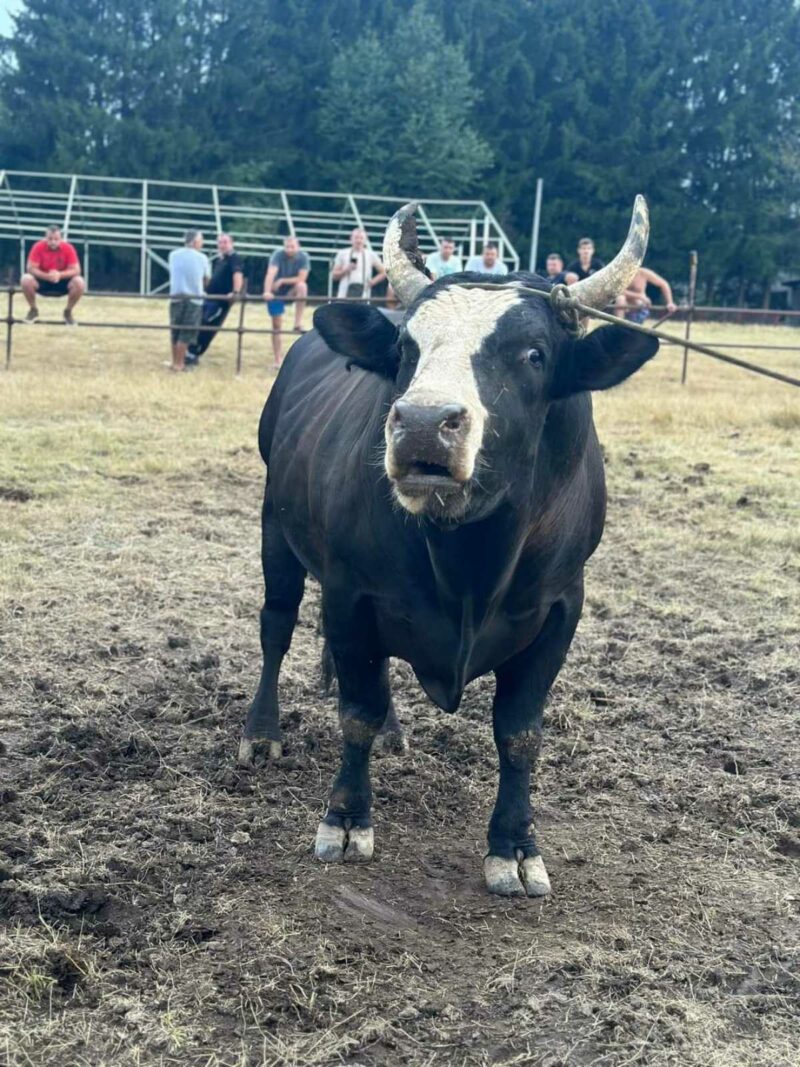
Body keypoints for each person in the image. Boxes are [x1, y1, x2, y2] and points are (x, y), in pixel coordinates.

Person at [186, 233, 244, 365]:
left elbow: (237, 274)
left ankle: (194, 353)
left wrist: (235, 292)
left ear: (231, 244)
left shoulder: (234, 258)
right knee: (200, 323)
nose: (222, 245)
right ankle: (190, 352)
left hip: (220, 300)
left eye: (225, 242)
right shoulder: (220, 259)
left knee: (208, 326)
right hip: (209, 298)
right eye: (220, 242)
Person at [21, 225, 86, 325]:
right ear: (45, 238)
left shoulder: (68, 248)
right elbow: (30, 268)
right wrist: (46, 276)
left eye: (56, 239)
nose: (53, 242)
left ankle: (68, 312)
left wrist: (59, 275)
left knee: (79, 281)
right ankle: (33, 310)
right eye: (50, 239)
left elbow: (76, 270)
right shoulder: (38, 247)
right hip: (42, 280)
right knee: (25, 279)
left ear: (61, 239)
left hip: (63, 281)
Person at [263, 236, 310, 368]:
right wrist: (267, 291)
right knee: (276, 325)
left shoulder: (303, 257)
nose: (289, 249)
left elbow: (302, 277)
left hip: (291, 290)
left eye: (292, 246)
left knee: (302, 286)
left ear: (298, 246)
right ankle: (277, 359)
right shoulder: (277, 255)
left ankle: (297, 322)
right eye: (287, 247)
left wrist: (283, 280)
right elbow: (270, 273)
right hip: (276, 292)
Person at [167, 230, 210, 372]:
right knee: (186, 332)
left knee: (175, 331)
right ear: (196, 241)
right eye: (201, 240)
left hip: (176, 297)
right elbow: (206, 279)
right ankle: (180, 363)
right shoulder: (202, 258)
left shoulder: (173, 255)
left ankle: (174, 361)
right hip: (194, 298)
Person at [332, 229, 386, 300]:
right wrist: (345, 270)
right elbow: (333, 276)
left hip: (363, 296)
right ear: (351, 239)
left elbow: (384, 272)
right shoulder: (342, 253)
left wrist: (372, 282)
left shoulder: (371, 255)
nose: (358, 241)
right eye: (356, 238)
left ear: (365, 240)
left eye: (361, 238)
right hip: (344, 295)